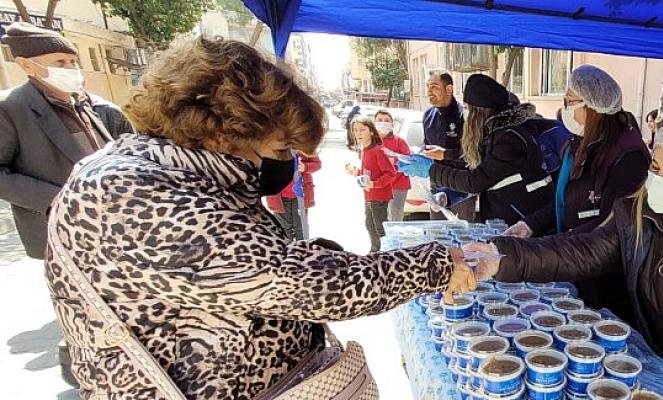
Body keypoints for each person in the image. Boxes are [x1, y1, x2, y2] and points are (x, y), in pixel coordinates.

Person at [44, 38, 476, 400]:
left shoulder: (170, 172)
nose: (285, 163)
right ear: (222, 130)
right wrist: (436, 265)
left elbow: (244, 266)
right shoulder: (131, 193)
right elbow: (294, 284)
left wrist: (316, 255)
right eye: (278, 149)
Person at [469, 120, 663, 400]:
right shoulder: (637, 212)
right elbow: (581, 252)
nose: (657, 179)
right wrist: (503, 257)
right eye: (655, 167)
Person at [503, 65, 650, 320]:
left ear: (593, 106)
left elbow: (611, 230)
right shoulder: (579, 144)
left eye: (570, 101)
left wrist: (544, 249)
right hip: (572, 260)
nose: (565, 109)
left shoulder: (627, 158)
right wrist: (529, 225)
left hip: (604, 280)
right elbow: (562, 200)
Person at [0, 22, 133, 260]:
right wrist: (58, 199)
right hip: (61, 232)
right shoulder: (10, 109)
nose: (70, 68)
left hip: (114, 226)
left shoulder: (95, 106)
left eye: (73, 61)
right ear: (26, 64)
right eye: (59, 62)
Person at [400, 74, 555, 225]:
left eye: (468, 108)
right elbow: (478, 158)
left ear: (480, 111)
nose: (466, 112)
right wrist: (444, 155)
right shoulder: (497, 132)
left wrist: (431, 170)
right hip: (509, 213)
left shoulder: (508, 139)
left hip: (524, 217)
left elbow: (476, 180)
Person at [420, 70, 476, 221]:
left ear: (449, 89)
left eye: (434, 87)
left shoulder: (466, 116)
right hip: (436, 184)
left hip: (461, 189)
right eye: (428, 87)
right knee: (437, 235)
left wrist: (445, 154)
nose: (429, 91)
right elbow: (427, 145)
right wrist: (420, 155)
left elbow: (474, 155)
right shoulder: (428, 115)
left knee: (461, 237)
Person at [346, 116, 397, 252]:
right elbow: (367, 174)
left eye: (362, 130)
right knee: (369, 224)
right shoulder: (365, 150)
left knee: (380, 227)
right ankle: (375, 251)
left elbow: (391, 173)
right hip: (369, 195)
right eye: (355, 130)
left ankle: (385, 254)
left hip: (379, 196)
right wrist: (355, 172)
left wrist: (374, 184)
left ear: (372, 132)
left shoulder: (377, 150)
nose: (358, 133)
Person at [265, 151, 321, 240]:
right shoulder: (272, 145)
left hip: (300, 196)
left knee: (300, 225)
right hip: (278, 198)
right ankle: (287, 248)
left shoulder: (304, 144)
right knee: (284, 227)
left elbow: (317, 164)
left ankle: (302, 248)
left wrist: (306, 167)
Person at [374, 110, 411, 221]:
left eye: (386, 120)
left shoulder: (400, 141)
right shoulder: (371, 141)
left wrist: (396, 161)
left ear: (392, 124)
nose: (383, 123)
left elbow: (409, 163)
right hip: (378, 186)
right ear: (374, 122)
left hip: (397, 186)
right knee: (378, 219)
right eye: (379, 120)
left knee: (395, 218)